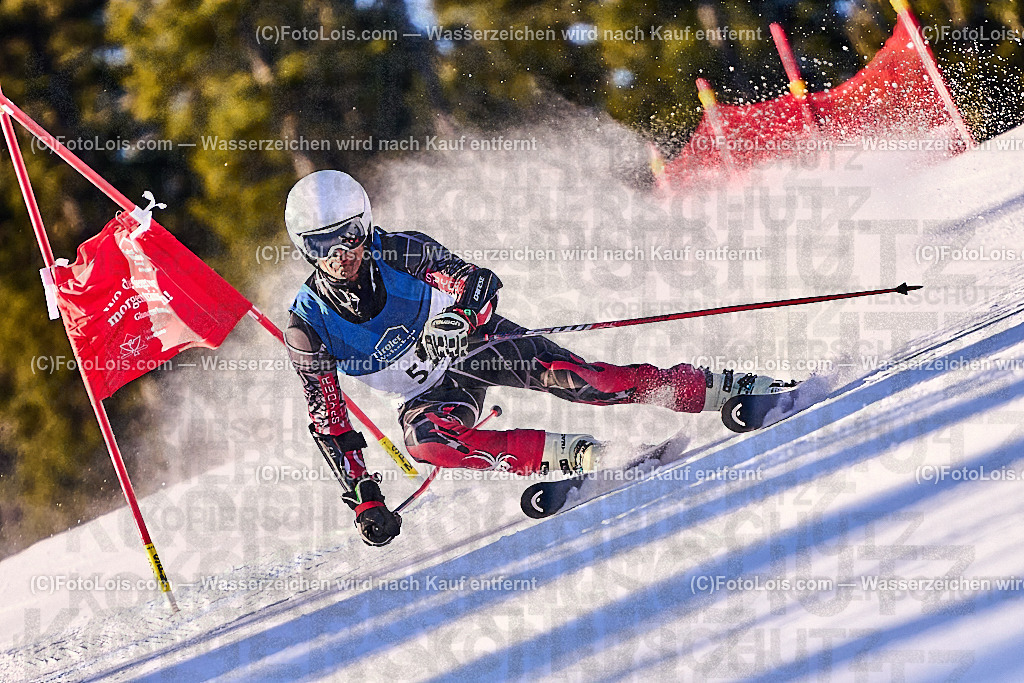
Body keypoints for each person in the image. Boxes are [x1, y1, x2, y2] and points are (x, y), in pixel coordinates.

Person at [284, 170, 788, 546]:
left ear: (366, 226)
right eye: (320, 245)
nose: (338, 254)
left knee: (588, 381)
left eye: (347, 236)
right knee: (427, 445)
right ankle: (586, 457)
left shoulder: (400, 252)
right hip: (429, 394)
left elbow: (478, 282)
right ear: (304, 248)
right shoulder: (308, 327)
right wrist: (367, 500)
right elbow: (330, 423)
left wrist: (462, 318)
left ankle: (726, 387)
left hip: (476, 348)